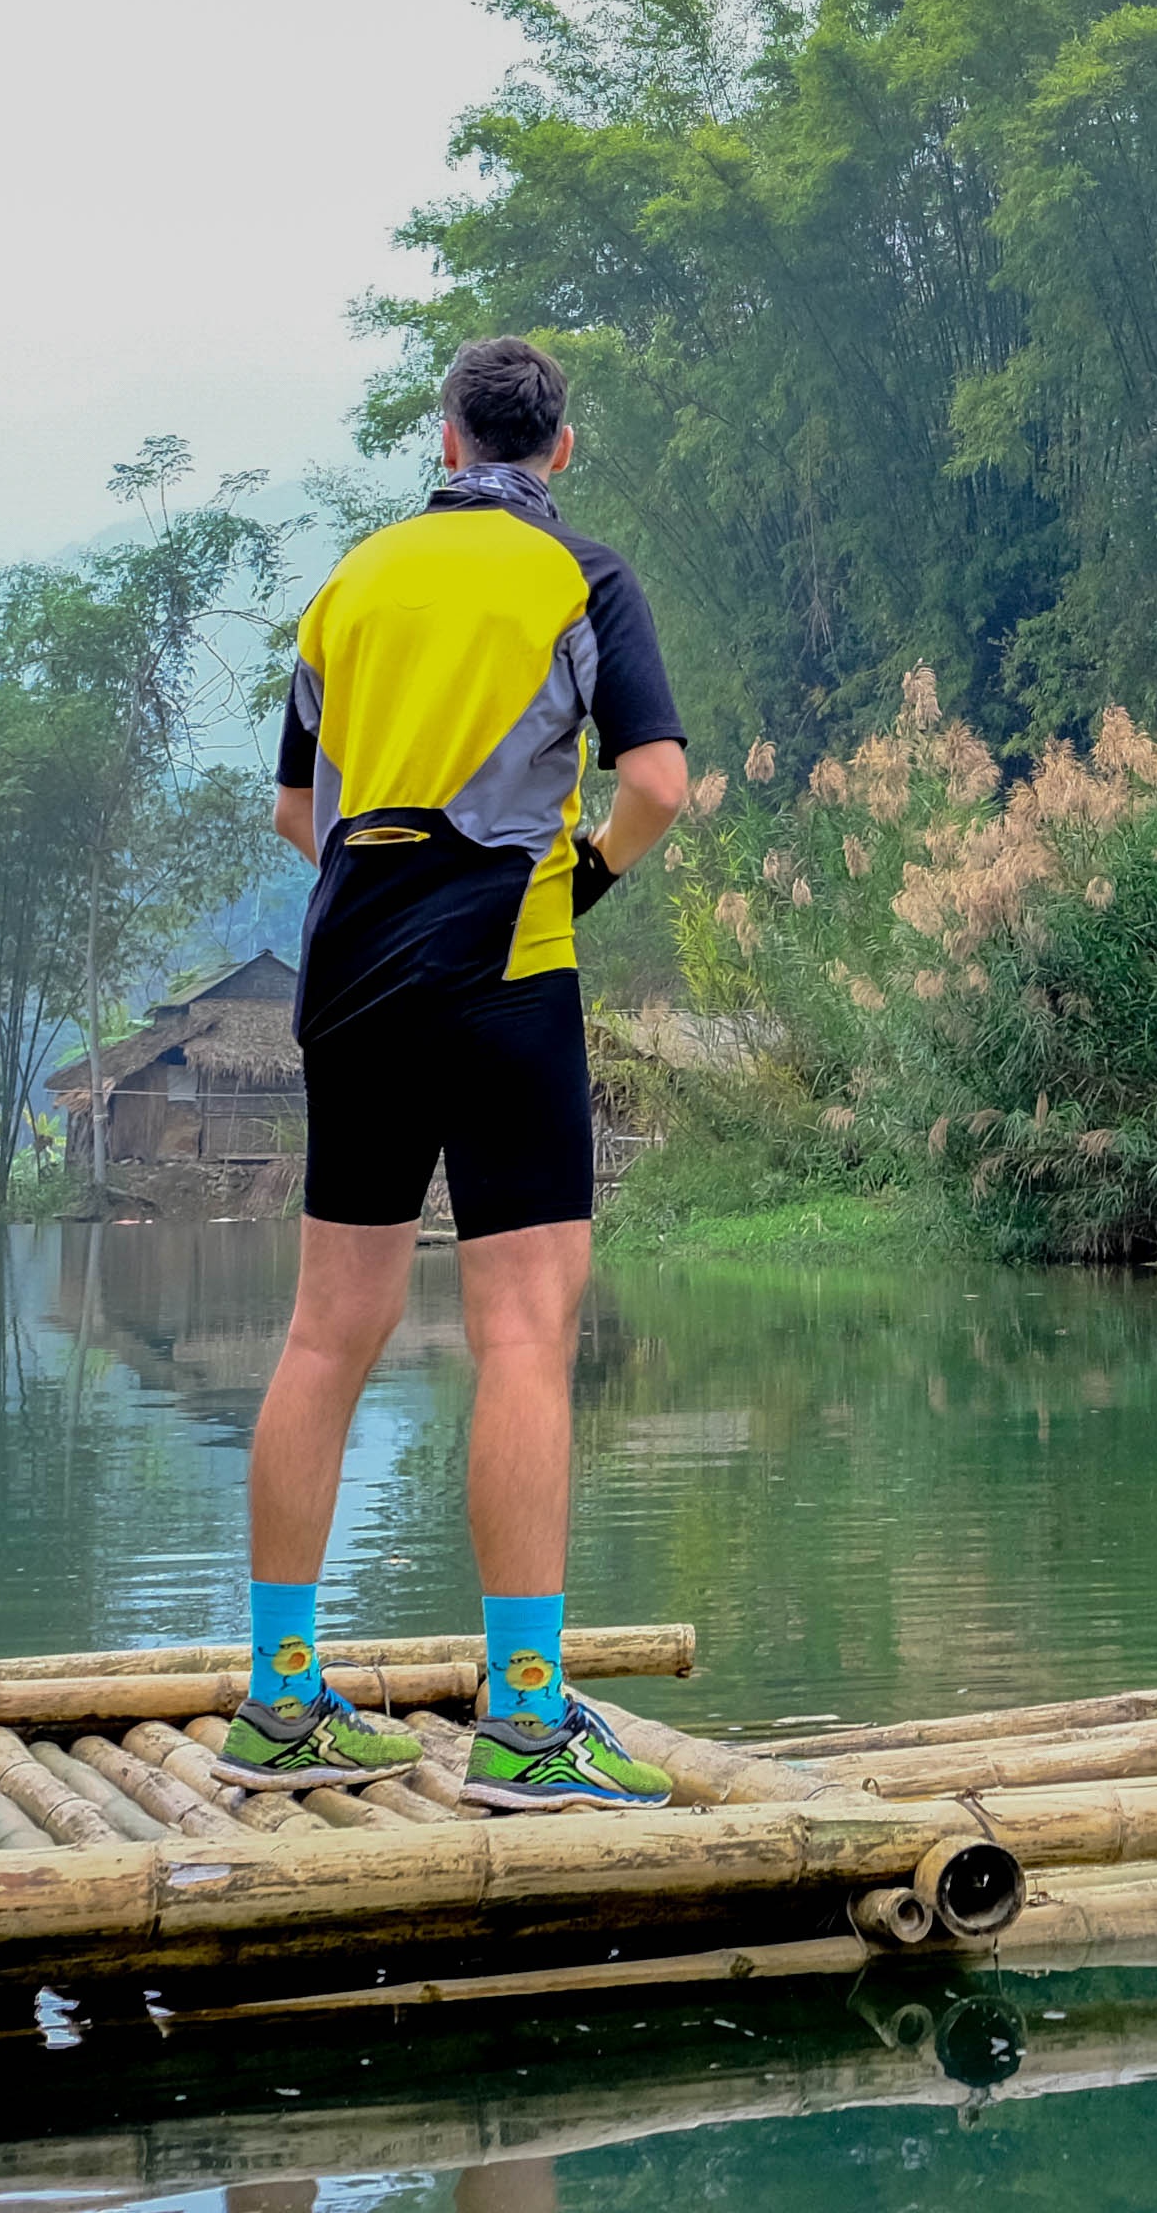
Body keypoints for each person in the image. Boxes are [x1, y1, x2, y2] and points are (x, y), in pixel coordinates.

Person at [222, 333, 695, 1809]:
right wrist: (582, 886)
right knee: (522, 1333)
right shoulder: (584, 580)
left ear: (444, 445)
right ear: (558, 451)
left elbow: (301, 814)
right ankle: (528, 1724)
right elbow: (658, 786)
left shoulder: (346, 588)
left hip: (348, 976)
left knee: (324, 1333)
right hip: (504, 974)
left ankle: (283, 1704)